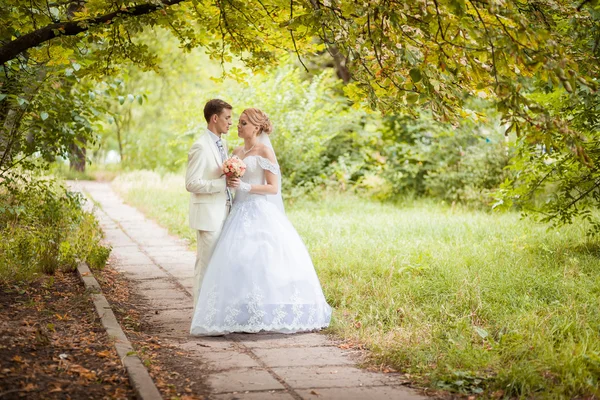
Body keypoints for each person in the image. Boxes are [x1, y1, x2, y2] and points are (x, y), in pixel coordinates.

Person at [190, 108, 332, 335]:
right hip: (237, 211)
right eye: (237, 122)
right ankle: (241, 312)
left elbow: (273, 187)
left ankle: (267, 310)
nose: (237, 126)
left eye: (243, 123)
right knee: (237, 261)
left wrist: (245, 187)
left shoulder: (265, 151)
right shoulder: (235, 151)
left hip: (259, 210)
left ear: (256, 127)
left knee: (264, 259)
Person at [185, 99, 236, 309]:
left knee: (220, 267)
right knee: (205, 267)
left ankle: (214, 314)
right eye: (227, 118)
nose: (231, 123)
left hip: (225, 212)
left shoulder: (222, 144)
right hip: (208, 216)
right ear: (215, 118)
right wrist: (221, 184)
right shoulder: (200, 146)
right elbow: (191, 183)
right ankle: (200, 316)